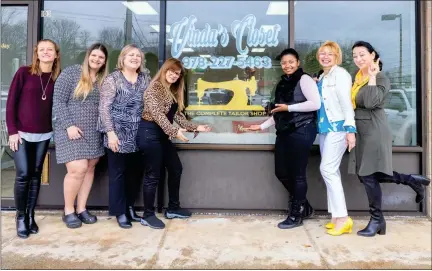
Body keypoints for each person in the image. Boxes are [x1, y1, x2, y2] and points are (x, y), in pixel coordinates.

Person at [350, 41, 430, 237]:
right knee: (366, 174)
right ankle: (411, 180)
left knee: (368, 175)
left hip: (374, 130)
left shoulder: (381, 78)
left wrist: (372, 76)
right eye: (355, 56)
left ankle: (376, 219)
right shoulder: (357, 78)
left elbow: (369, 102)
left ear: (373, 55)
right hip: (361, 130)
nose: (358, 59)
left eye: (362, 54)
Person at [246, 48, 321, 229]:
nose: (287, 65)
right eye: (284, 63)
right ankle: (305, 207)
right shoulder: (282, 83)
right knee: (281, 172)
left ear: (298, 63)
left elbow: (315, 103)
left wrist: (289, 108)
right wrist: (262, 126)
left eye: (291, 62)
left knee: (297, 174)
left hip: (302, 130)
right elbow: (278, 112)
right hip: (285, 131)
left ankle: (296, 214)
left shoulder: (304, 79)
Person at [137, 58, 211, 229]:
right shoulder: (153, 89)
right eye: (171, 71)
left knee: (175, 168)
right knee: (152, 175)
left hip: (162, 135)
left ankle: (172, 208)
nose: (174, 75)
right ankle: (147, 215)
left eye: (177, 73)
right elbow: (157, 114)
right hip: (150, 133)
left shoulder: (171, 91)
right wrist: (174, 131)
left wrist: (195, 127)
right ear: (164, 70)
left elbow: (176, 116)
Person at [6, 39, 61, 238]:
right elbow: (11, 104)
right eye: (42, 50)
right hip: (20, 134)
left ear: (56, 54)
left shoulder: (57, 77)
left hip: (44, 133)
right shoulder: (24, 73)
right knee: (23, 174)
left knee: (36, 174)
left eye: (50, 50)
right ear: (36, 53)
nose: (46, 53)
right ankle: (20, 217)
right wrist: (12, 130)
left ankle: (30, 215)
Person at [53, 43, 108, 228]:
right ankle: (69, 210)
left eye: (101, 57)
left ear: (105, 61)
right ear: (88, 55)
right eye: (94, 55)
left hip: (93, 131)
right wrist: (69, 125)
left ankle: (82, 208)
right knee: (78, 169)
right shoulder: (71, 73)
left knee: (90, 167)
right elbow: (58, 101)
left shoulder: (102, 79)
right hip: (70, 129)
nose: (97, 59)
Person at [97, 44, 151, 229]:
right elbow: (104, 108)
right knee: (118, 174)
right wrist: (110, 133)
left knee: (134, 174)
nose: (135, 58)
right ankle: (119, 212)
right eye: (131, 55)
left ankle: (129, 207)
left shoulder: (145, 78)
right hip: (117, 133)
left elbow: (150, 103)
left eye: (138, 56)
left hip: (139, 133)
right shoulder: (113, 79)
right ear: (122, 58)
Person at [315, 41, 356, 236]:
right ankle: (335, 216)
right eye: (322, 53)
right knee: (332, 172)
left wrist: (350, 129)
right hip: (325, 128)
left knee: (327, 169)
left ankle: (343, 218)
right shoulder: (323, 76)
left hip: (338, 127)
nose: (325, 56)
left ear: (337, 57)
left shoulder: (340, 75)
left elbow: (346, 103)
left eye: (330, 54)